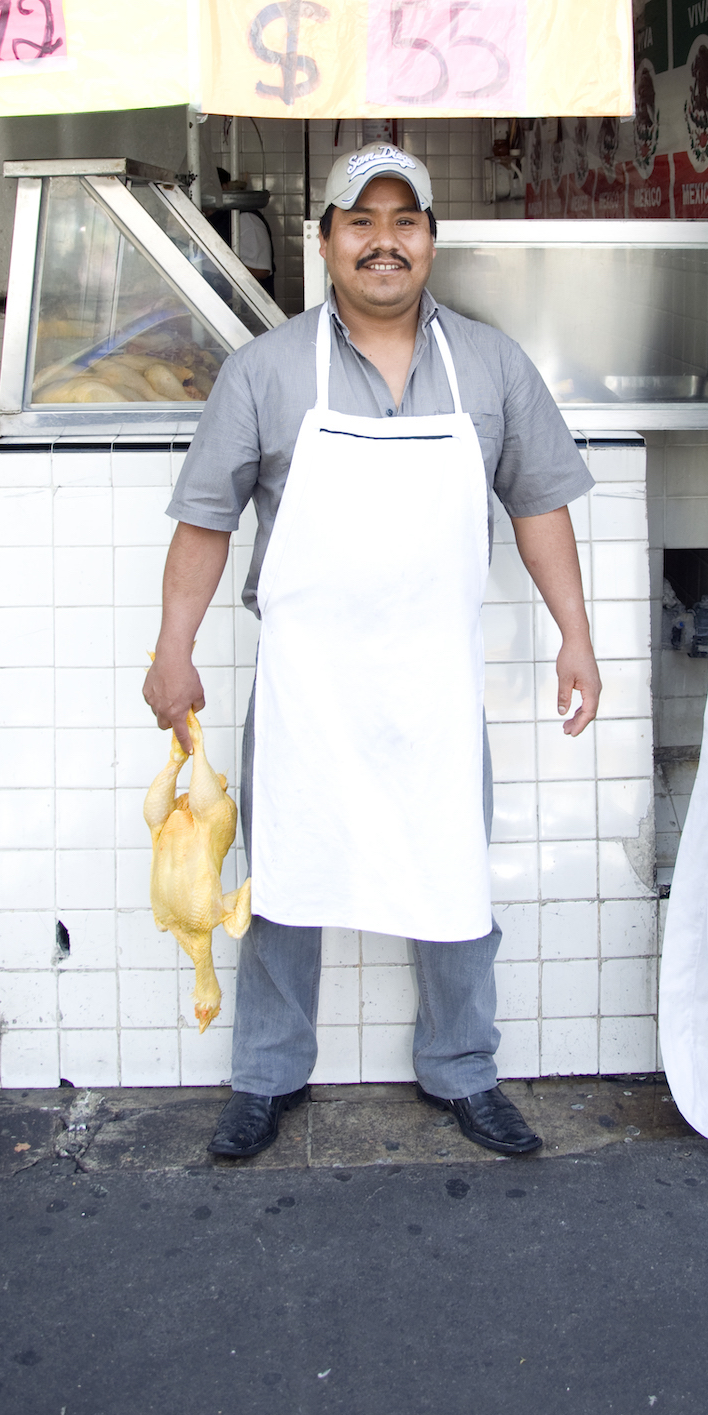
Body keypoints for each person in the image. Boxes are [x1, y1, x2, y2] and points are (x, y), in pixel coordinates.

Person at [143, 140, 601, 1160]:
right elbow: (205, 520)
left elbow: (539, 507)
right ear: (326, 242)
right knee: (284, 876)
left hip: (435, 681)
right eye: (361, 222)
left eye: (404, 221)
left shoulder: (489, 365)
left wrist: (576, 634)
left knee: (452, 874)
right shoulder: (265, 371)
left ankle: (463, 1067)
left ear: (430, 239)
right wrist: (172, 650)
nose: (383, 242)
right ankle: (266, 1074)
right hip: (306, 684)